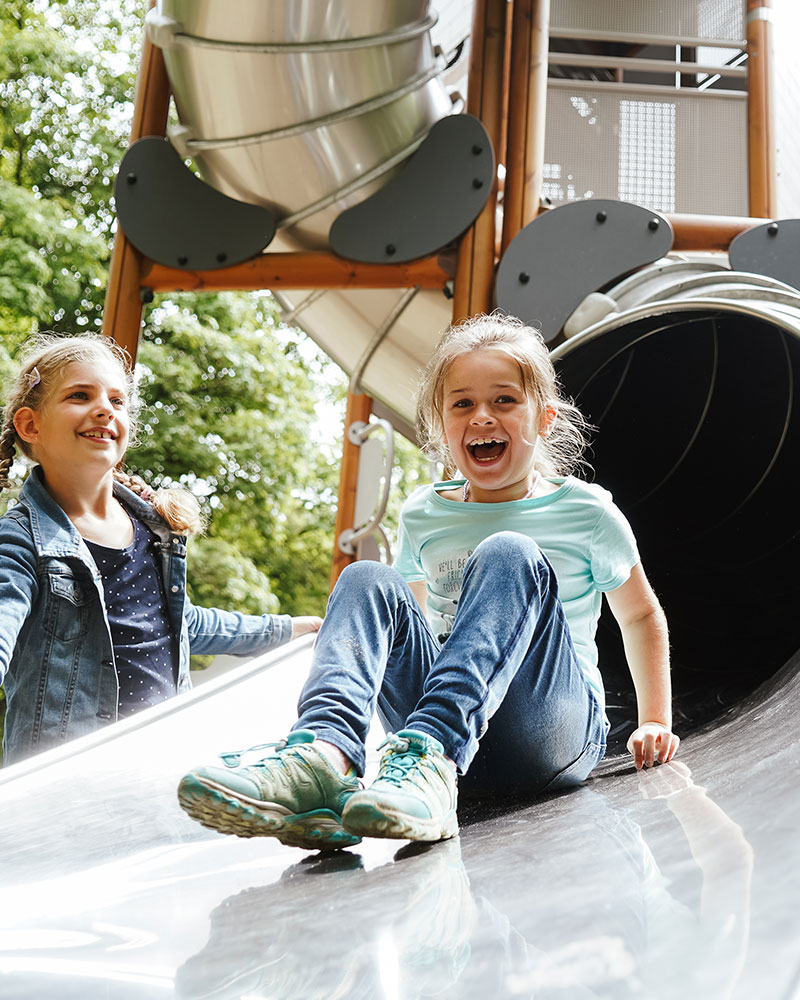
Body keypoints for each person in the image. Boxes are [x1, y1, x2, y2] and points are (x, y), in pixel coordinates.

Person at [178, 313, 679, 851]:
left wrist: (654, 719)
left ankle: (435, 749)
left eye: (505, 400)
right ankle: (325, 756)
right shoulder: (425, 514)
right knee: (367, 577)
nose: (482, 415)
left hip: (550, 734)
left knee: (510, 552)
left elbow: (640, 614)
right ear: (442, 426)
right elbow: (403, 632)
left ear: (544, 419)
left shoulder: (585, 513)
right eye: (462, 403)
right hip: (445, 749)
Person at [0, 333, 320, 766]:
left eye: (117, 400)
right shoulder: (19, 540)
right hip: (69, 777)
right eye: (80, 395)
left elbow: (180, 623)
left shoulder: (152, 530)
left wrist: (288, 629)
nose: (104, 409)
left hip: (162, 765)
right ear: (30, 426)